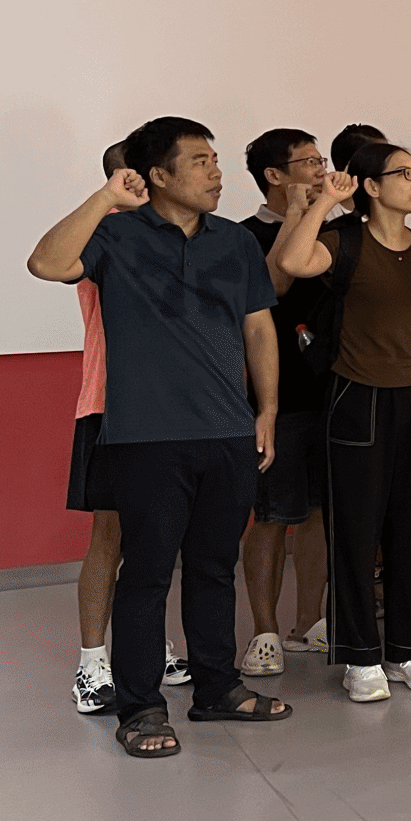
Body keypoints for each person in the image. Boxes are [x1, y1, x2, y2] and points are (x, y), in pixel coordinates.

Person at [28, 117, 291, 758]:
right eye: (200, 161)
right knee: (145, 574)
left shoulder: (235, 242)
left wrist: (267, 410)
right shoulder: (115, 235)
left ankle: (217, 688)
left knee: (214, 567)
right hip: (145, 436)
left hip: (227, 429)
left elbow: (259, 328)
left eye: (215, 159)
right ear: (158, 175)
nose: (216, 172)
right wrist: (106, 197)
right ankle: (141, 707)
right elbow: (45, 263)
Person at [274, 145, 411, 701]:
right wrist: (324, 201)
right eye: (405, 174)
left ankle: (410, 648)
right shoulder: (345, 241)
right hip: (358, 397)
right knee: (355, 531)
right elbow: (293, 263)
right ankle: (359, 656)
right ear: (371, 187)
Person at [68, 141, 191, 714]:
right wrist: (107, 201)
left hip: (174, 411)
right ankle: (93, 664)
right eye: (134, 175)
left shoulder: (183, 233)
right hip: (110, 405)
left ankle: (148, 649)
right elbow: (53, 262)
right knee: (110, 534)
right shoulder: (103, 232)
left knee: (159, 536)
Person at [236, 127, 337, 677]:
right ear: (275, 175)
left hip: (335, 389)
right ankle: (264, 632)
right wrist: (299, 213)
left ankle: (309, 622)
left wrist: (316, 211)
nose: (321, 170)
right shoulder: (243, 236)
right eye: (308, 163)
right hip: (276, 396)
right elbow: (274, 285)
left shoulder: (332, 230)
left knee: (321, 512)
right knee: (274, 515)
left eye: (321, 160)